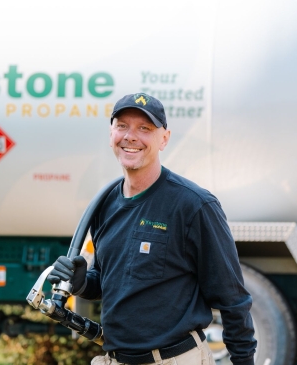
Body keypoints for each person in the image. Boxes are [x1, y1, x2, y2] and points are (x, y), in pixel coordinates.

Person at [48, 93, 257, 365]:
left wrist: (244, 361)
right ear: (111, 133)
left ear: (164, 139)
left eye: (144, 128)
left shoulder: (193, 205)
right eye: (122, 126)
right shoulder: (105, 204)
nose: (130, 136)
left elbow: (232, 298)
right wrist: (83, 283)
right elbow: (111, 280)